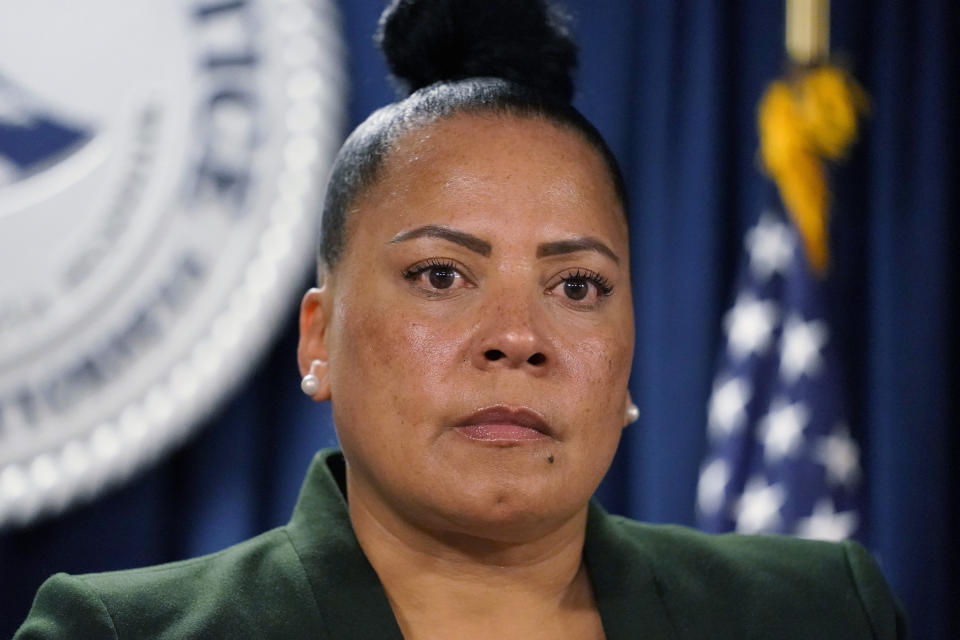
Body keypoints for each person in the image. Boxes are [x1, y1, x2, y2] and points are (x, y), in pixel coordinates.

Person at [16, 1, 907, 638]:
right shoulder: (120, 631)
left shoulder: (819, 611)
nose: (517, 336)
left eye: (578, 287)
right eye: (442, 274)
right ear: (319, 339)